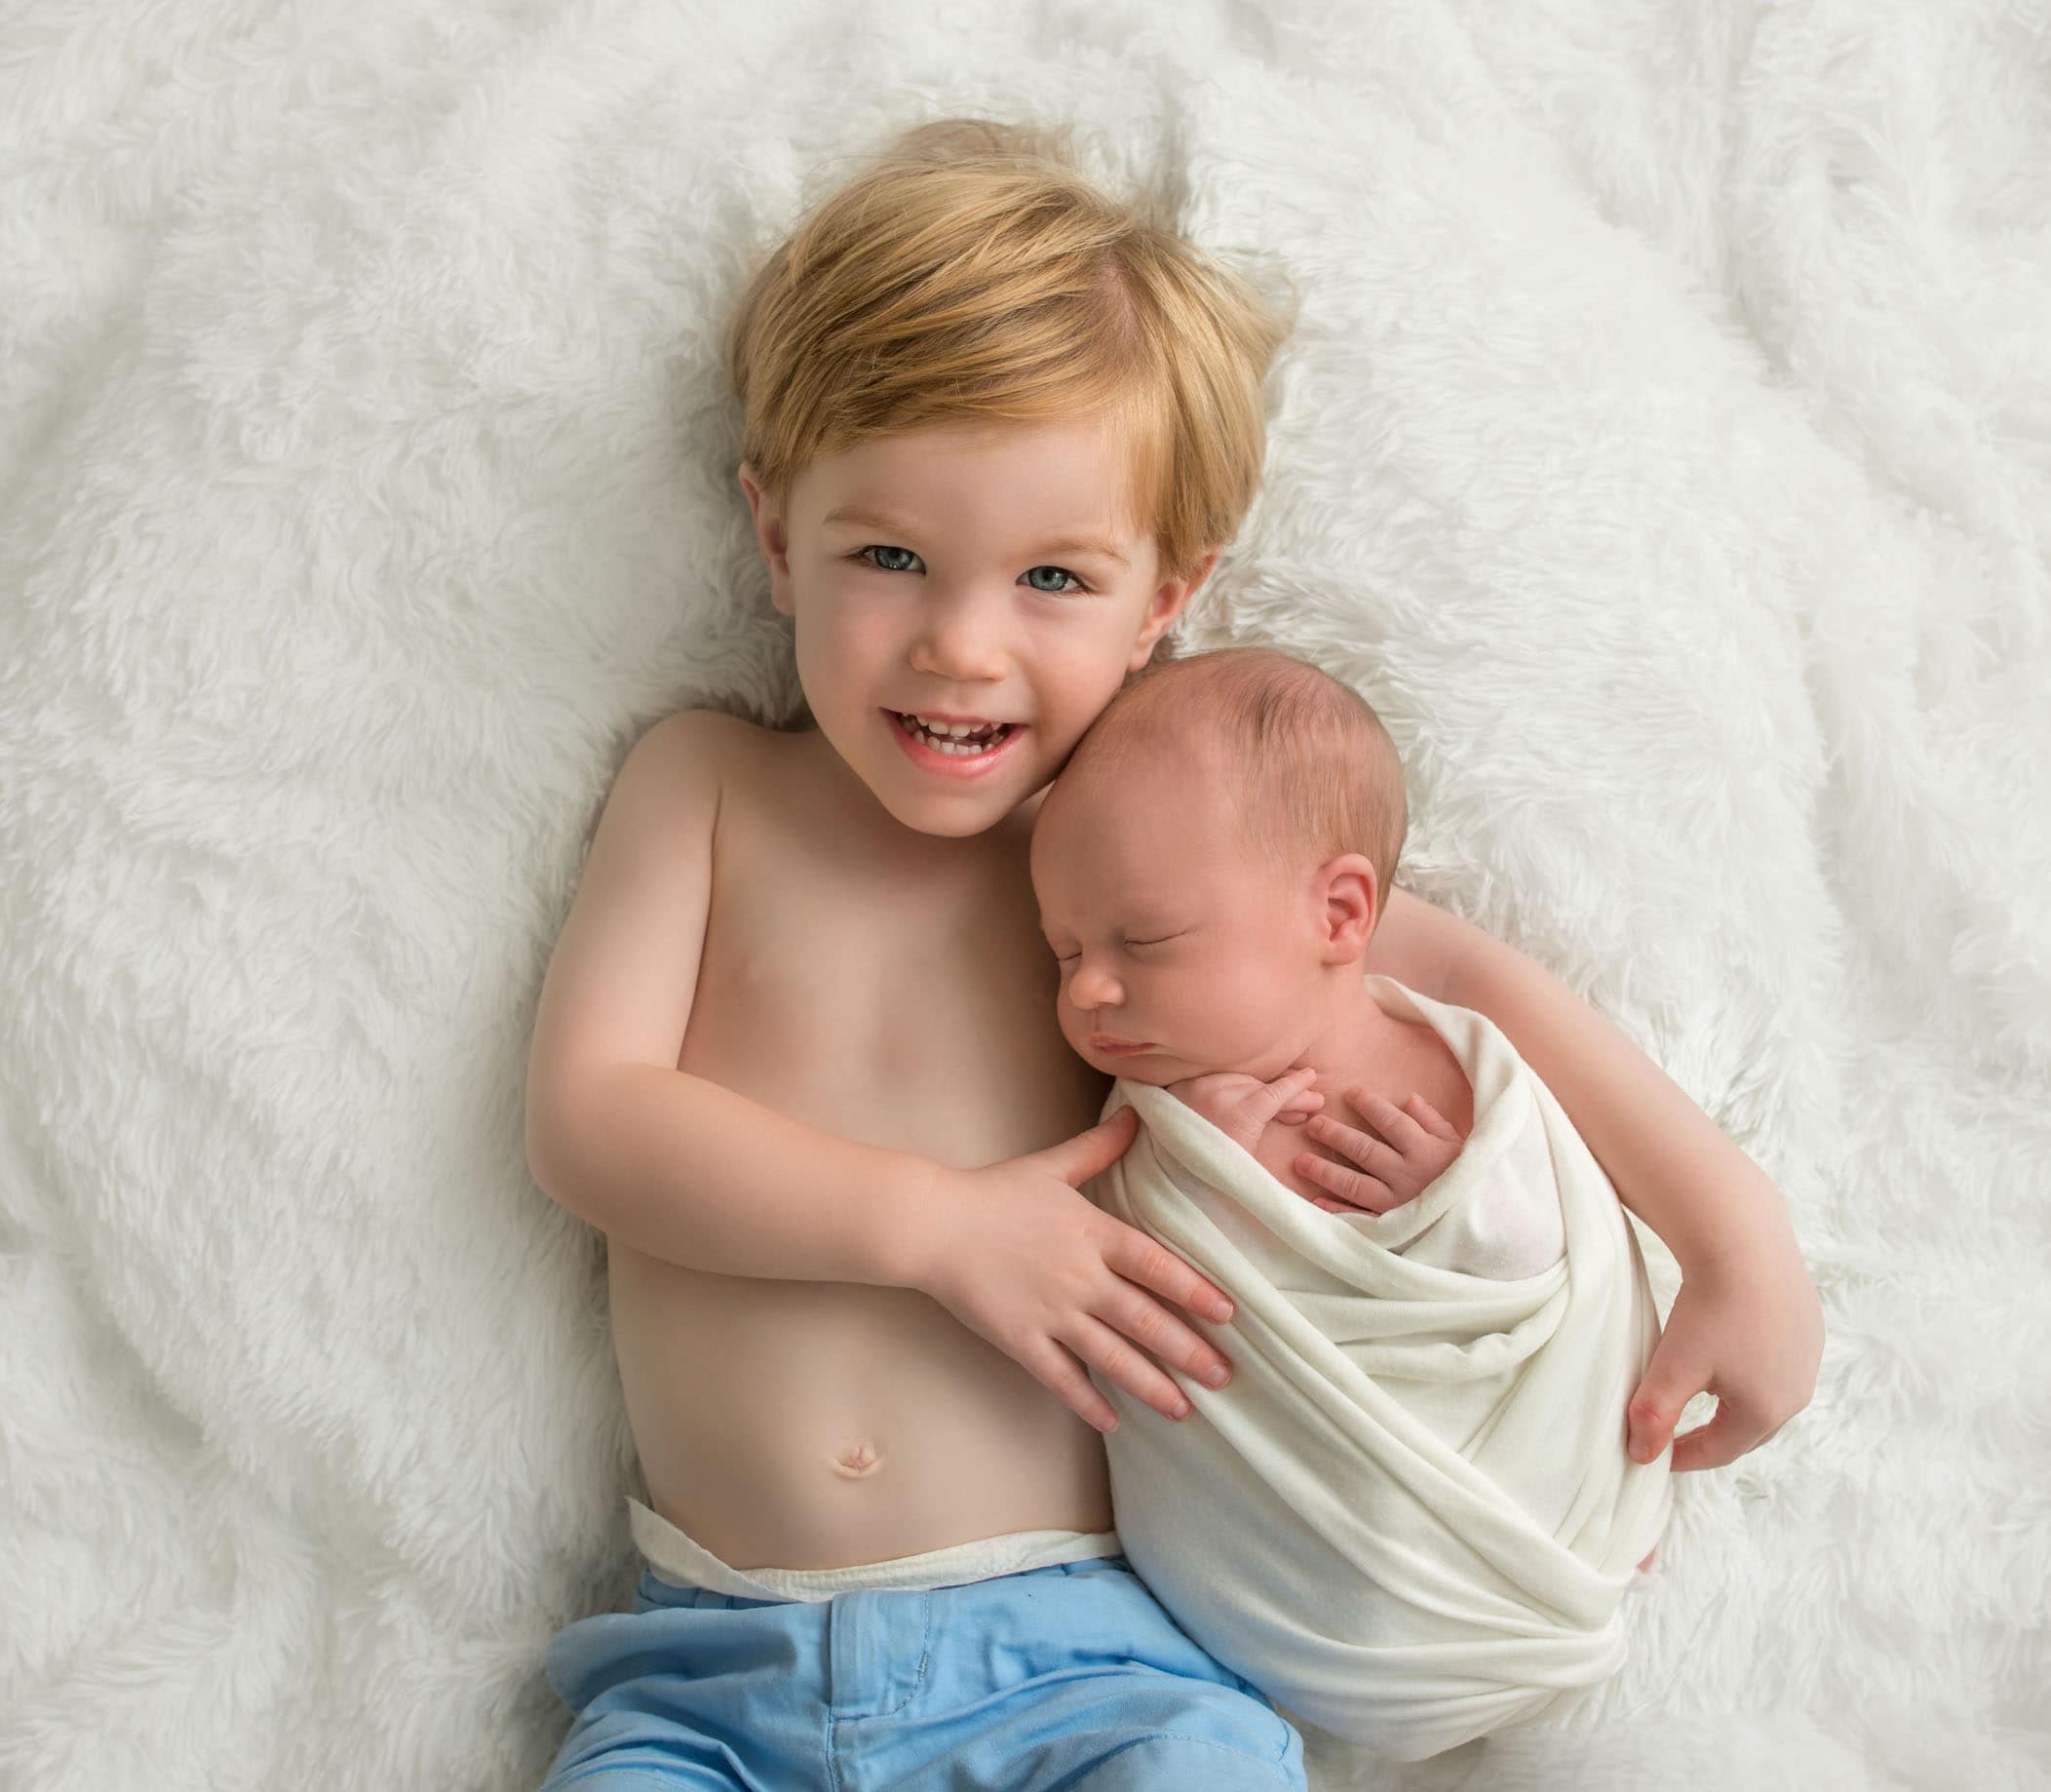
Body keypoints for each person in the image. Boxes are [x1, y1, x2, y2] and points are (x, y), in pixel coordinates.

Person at [522, 114, 1821, 1790]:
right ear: (775, 539)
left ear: (1162, 599)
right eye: (887, 557)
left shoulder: (1138, 870)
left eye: (1051, 575)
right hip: (704, 1673)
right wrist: (937, 1228)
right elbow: (593, 1117)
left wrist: (1734, 1236)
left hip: (1085, 1663)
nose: (959, 643)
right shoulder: (705, 790)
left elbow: (1467, 982)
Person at [1029, 644, 1678, 1761]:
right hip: (1277, 1604)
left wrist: (1464, 1206)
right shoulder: (1149, 1131)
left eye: (1142, 940)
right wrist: (1198, 1195)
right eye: (1065, 949)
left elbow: (1560, 1275)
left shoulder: (1456, 1067)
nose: (1088, 986)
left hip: (1527, 1555)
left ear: (1339, 913)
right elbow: (1126, 1309)